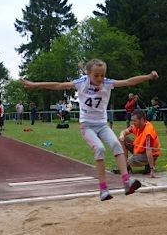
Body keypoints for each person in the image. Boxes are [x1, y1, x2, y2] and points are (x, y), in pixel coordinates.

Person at [21, 58, 158, 201]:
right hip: (87, 126)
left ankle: (126, 182)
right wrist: (35, 84)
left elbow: (129, 81)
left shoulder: (107, 83)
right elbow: (59, 85)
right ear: (88, 74)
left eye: (102, 75)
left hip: (102, 125)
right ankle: (103, 189)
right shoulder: (81, 83)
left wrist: (148, 76)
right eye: (96, 75)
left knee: (117, 144)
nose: (99, 78)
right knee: (100, 148)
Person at [118, 109, 161, 177]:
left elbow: (148, 150)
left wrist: (152, 169)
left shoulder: (148, 131)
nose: (133, 123)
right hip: (140, 149)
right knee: (122, 140)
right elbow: (124, 131)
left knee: (130, 160)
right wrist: (122, 135)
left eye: (135, 121)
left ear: (142, 120)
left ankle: (149, 166)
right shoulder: (135, 126)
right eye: (132, 120)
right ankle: (126, 168)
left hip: (152, 154)